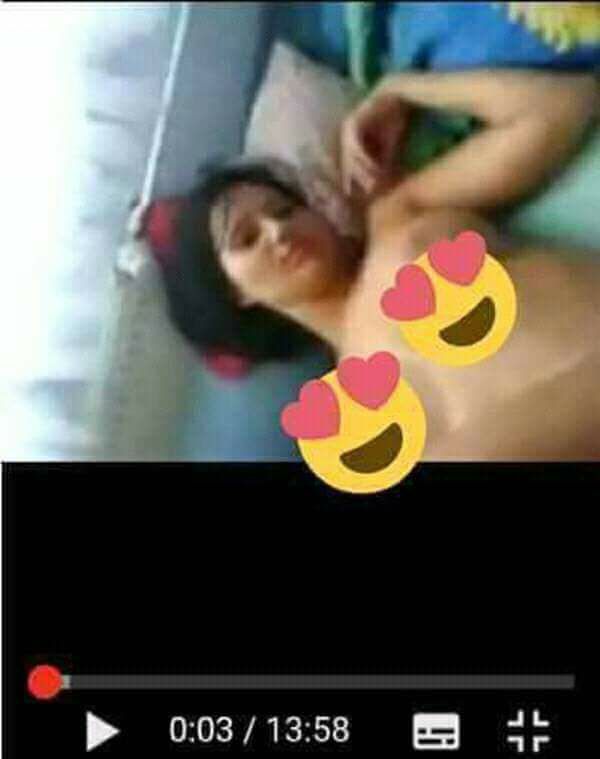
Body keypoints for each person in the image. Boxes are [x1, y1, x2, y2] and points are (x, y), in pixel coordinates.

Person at [165, 68, 600, 460]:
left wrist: (400, 87)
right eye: (246, 238)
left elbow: (562, 108)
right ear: (233, 294)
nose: (278, 231)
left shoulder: (400, 220)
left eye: (285, 210)